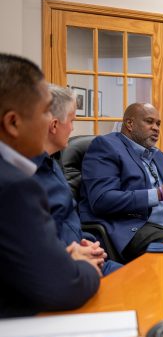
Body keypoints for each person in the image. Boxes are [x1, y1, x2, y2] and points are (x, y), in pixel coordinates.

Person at [0, 53, 100, 317]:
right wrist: (85, 266)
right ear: (13, 122)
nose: (50, 122)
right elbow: (65, 286)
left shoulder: (41, 166)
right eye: (45, 111)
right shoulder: (14, 186)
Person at [79, 102, 163, 262]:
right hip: (131, 229)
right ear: (130, 124)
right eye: (149, 121)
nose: (156, 128)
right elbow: (101, 200)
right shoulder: (106, 146)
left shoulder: (158, 156)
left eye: (158, 124)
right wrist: (160, 193)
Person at [32, 84, 122, 275]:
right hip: (64, 269)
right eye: (72, 121)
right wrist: (73, 255)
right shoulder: (24, 176)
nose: (73, 128)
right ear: (54, 125)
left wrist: (87, 242)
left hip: (86, 258)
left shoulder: (53, 164)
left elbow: (69, 222)